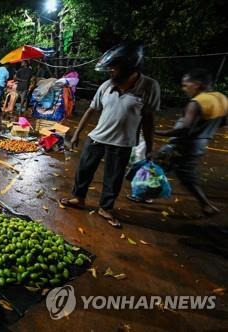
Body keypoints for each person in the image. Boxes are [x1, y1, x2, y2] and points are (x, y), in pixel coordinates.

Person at [60, 42, 160, 228]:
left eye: (114, 68)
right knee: (83, 170)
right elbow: (91, 110)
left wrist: (150, 148)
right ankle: (78, 198)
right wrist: (77, 134)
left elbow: (148, 119)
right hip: (97, 137)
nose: (110, 72)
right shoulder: (106, 86)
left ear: (129, 68)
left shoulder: (149, 87)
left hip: (123, 142)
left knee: (113, 177)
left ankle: (105, 208)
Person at [155, 68, 227, 216]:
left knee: (160, 167)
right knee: (178, 171)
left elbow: (185, 128)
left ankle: (146, 193)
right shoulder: (221, 98)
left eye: (186, 85)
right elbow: (223, 122)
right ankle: (149, 192)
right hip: (201, 144)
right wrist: (205, 130)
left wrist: (158, 132)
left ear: (197, 84)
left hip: (184, 144)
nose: (184, 88)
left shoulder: (196, 102)